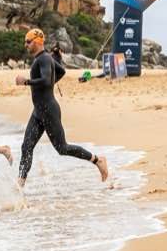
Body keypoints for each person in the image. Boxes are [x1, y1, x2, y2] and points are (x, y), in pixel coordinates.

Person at [14, 29, 109, 187]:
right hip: (38, 111)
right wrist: (51, 82)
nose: (26, 45)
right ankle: (20, 184)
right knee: (26, 146)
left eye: (28, 41)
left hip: (49, 110)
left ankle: (98, 160)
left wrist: (26, 82)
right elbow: (61, 71)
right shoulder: (44, 58)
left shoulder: (44, 59)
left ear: (38, 41)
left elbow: (45, 80)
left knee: (62, 148)